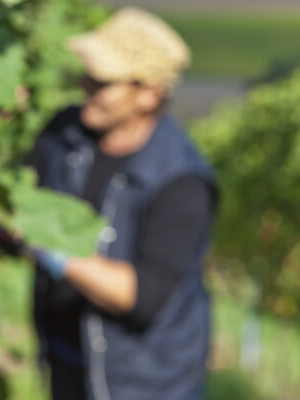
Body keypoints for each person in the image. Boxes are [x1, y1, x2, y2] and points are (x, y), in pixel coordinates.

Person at [25, 7, 218, 400]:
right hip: (65, 359)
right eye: (88, 74)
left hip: (147, 380)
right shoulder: (65, 134)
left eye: (102, 81)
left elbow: (138, 294)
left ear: (149, 93)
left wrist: (48, 248)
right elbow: (19, 199)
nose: (85, 85)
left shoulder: (183, 181)